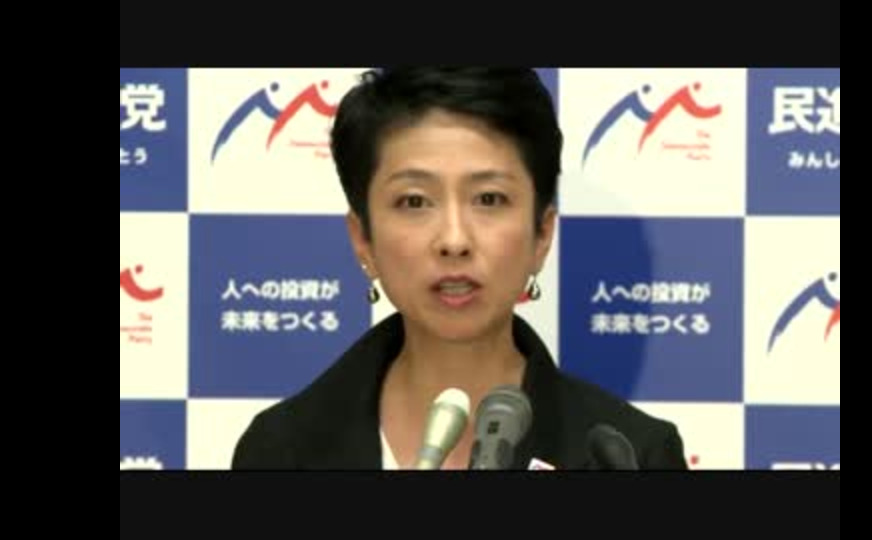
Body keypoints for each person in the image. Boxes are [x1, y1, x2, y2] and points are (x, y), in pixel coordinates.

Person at [231, 67, 687, 470]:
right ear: (362, 238)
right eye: (414, 201)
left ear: (542, 235)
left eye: (489, 198)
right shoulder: (282, 450)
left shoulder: (631, 454)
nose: (454, 240)